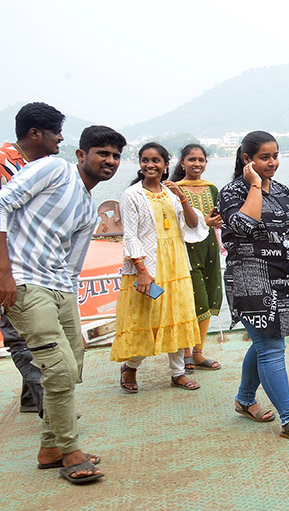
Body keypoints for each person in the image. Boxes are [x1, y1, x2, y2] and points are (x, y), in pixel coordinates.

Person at [0, 125, 124, 484]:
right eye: (102, 152)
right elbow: (2, 203)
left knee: (72, 367)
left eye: (115, 155)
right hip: (24, 282)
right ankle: (70, 450)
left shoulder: (88, 211)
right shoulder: (54, 169)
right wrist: (4, 273)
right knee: (56, 368)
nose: (110, 161)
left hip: (60, 289)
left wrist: (73, 311)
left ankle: (49, 448)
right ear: (81, 155)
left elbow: (71, 266)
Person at [220, 130, 289, 441]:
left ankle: (245, 399)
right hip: (249, 278)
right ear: (247, 159)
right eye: (265, 157)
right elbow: (242, 225)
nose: (273, 163)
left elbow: (285, 228)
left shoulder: (282, 190)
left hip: (281, 276)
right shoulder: (231, 192)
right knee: (271, 346)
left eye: (275, 155)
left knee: (266, 343)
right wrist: (254, 185)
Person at [111, 143, 203, 393]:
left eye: (156, 161)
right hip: (148, 265)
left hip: (175, 263)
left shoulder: (172, 193)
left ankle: (177, 373)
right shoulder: (132, 194)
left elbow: (194, 225)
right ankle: (130, 366)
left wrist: (182, 197)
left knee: (177, 315)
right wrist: (141, 270)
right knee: (146, 317)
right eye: (144, 160)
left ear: (165, 165)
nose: (150, 165)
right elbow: (131, 236)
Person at [0, 102, 65, 413]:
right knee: (23, 338)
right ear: (35, 134)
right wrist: (5, 273)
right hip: (10, 267)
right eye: (56, 133)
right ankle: (49, 410)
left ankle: (30, 399)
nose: (61, 140)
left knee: (26, 334)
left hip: (27, 265)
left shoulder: (34, 166)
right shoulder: (5, 165)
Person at [169, 144, 224, 373]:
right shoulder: (173, 189)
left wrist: (217, 220)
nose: (197, 164)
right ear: (182, 163)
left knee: (210, 296)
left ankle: (199, 351)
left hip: (209, 247)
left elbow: (219, 216)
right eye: (192, 159)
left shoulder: (211, 189)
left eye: (201, 160)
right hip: (186, 250)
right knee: (192, 300)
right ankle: (187, 353)